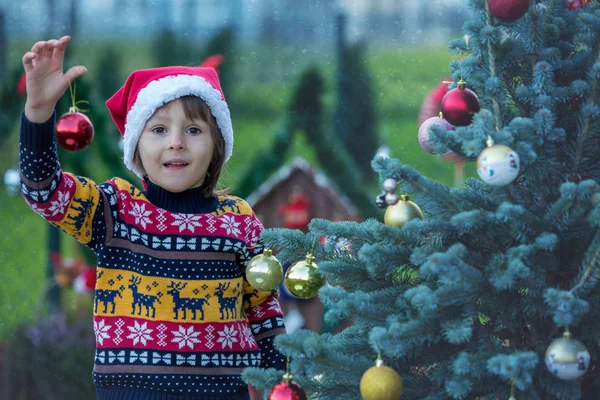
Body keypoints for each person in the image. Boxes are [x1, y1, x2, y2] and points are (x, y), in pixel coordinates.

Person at [20, 36, 286, 400]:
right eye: (159, 129)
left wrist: (281, 385)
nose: (176, 142)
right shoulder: (114, 210)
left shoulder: (238, 221)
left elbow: (263, 311)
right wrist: (38, 114)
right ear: (136, 147)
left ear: (216, 147)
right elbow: (44, 192)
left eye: (193, 130)